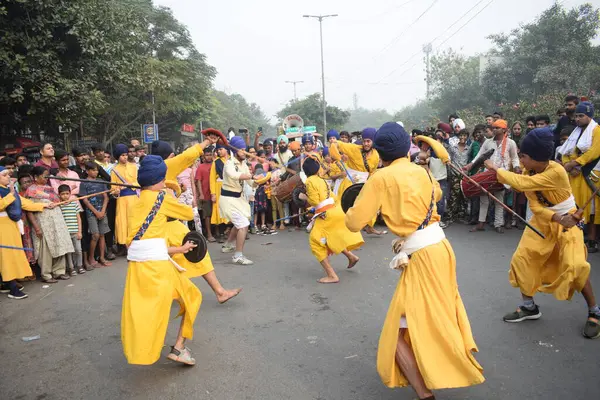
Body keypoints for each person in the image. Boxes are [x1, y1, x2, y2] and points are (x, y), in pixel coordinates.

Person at [345, 122, 484, 399]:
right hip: (440, 249)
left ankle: (425, 392)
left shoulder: (380, 178)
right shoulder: (421, 172)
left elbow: (355, 222)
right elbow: (438, 195)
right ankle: (429, 376)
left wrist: (352, 205)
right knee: (433, 317)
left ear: (380, 151)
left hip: (422, 259)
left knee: (397, 332)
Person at [485, 128, 599, 339]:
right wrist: (556, 218)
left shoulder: (556, 172)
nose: (521, 159)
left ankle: (595, 312)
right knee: (523, 259)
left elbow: (521, 184)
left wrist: (494, 169)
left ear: (537, 158)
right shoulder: (530, 172)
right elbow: (536, 207)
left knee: (576, 266)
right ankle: (529, 306)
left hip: (570, 220)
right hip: (546, 220)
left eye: (524, 156)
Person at [121, 155, 202, 366]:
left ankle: (170, 349)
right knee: (192, 298)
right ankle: (179, 347)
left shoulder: (135, 205)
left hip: (140, 267)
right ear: (160, 179)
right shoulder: (162, 198)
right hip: (158, 268)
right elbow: (188, 211)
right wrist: (177, 190)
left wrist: (181, 249)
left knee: (143, 312)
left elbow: (139, 243)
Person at [297, 157, 362, 283]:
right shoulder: (322, 180)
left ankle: (332, 275)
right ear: (317, 169)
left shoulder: (310, 181)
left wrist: (305, 199)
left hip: (326, 214)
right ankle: (351, 256)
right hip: (335, 211)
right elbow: (333, 197)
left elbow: (316, 201)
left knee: (315, 242)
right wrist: (315, 209)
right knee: (332, 237)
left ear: (305, 172)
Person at [0, 166, 52, 299]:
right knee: (7, 257)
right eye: (4, 175)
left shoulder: (9, 190)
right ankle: (12, 288)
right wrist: (11, 195)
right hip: (2, 227)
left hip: (11, 226)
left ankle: (6, 283)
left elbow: (25, 203)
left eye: (8, 175)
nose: (8, 177)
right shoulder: (9, 192)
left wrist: (44, 205)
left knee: (12, 255)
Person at [464, 119, 520, 233]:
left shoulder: (510, 143)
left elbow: (514, 157)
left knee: (499, 200)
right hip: (487, 174)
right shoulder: (488, 142)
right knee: (483, 200)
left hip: (502, 174)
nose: (494, 130)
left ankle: (498, 224)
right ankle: (481, 223)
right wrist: (470, 165)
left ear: (504, 130)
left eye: (496, 128)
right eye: (493, 127)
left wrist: (517, 167)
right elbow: (479, 155)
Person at [560, 101, 600, 253]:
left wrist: (576, 163)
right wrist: (569, 166)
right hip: (574, 176)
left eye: (581, 116)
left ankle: (592, 240)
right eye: (576, 116)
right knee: (574, 207)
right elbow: (565, 152)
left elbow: (595, 151)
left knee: (591, 208)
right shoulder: (575, 132)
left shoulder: (596, 130)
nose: (577, 119)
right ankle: (576, 238)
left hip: (590, 175)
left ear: (589, 116)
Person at [329, 128, 384, 235]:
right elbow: (336, 143)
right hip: (349, 183)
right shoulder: (354, 148)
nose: (366, 144)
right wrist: (336, 153)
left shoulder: (376, 155)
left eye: (368, 141)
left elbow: (372, 172)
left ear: (373, 141)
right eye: (364, 141)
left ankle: (369, 226)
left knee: (368, 205)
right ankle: (342, 231)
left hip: (363, 184)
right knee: (345, 207)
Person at [26, 166, 74, 282]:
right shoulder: (31, 191)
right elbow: (29, 211)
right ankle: (46, 274)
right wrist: (36, 228)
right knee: (45, 249)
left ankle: (59, 271)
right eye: (44, 175)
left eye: (47, 175)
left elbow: (58, 201)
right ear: (36, 177)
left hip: (57, 222)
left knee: (59, 244)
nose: (46, 178)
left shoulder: (49, 188)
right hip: (43, 223)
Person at [219, 136, 259, 265]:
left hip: (239, 199)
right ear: (235, 150)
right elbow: (233, 175)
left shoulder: (244, 165)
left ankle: (228, 245)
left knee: (240, 223)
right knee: (243, 225)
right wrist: (248, 176)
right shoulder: (229, 164)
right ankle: (238, 255)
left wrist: (258, 181)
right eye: (242, 150)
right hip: (228, 199)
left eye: (245, 149)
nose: (245, 152)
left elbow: (250, 182)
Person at [79, 162, 111, 268]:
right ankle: (91, 258)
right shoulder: (83, 182)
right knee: (95, 235)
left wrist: (102, 211)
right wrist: (96, 212)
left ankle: (102, 258)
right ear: (87, 171)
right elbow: (85, 200)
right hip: (91, 213)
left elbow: (106, 197)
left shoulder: (101, 181)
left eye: (97, 170)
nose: (96, 172)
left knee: (102, 235)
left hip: (102, 211)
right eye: (93, 170)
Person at [110, 144, 139, 255]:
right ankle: (127, 247)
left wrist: (131, 184)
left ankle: (136, 245)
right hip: (122, 200)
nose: (125, 157)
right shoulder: (114, 170)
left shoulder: (134, 166)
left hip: (134, 198)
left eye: (126, 155)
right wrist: (116, 190)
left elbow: (139, 182)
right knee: (123, 223)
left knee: (134, 221)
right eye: (122, 155)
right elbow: (112, 189)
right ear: (118, 156)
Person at [57, 184, 85, 276]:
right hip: (65, 234)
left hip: (75, 232)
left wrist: (79, 231)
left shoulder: (74, 204)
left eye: (67, 193)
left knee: (78, 250)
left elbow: (79, 219)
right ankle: (71, 268)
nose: (65, 196)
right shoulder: (59, 206)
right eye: (63, 194)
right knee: (69, 251)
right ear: (59, 195)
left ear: (70, 194)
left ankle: (80, 266)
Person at [445, 129, 470, 223]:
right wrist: (449, 173)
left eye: (464, 135)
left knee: (463, 196)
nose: (462, 137)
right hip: (454, 174)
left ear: (467, 137)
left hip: (464, 176)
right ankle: (449, 216)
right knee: (453, 196)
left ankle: (461, 216)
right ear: (458, 136)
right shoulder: (453, 148)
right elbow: (449, 161)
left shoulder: (469, 148)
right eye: (461, 135)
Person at [195, 146, 217, 242]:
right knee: (207, 215)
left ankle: (217, 233)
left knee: (216, 213)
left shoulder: (215, 165)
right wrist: (201, 194)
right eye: (206, 155)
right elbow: (198, 181)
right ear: (203, 156)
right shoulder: (200, 167)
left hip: (215, 193)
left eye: (210, 155)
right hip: (205, 193)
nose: (208, 157)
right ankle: (209, 234)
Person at [210, 143, 230, 241]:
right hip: (219, 188)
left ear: (226, 149)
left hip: (231, 187)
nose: (219, 151)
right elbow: (212, 179)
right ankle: (222, 233)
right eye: (218, 150)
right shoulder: (216, 162)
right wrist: (213, 193)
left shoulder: (232, 160)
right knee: (220, 209)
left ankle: (230, 231)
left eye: (221, 149)